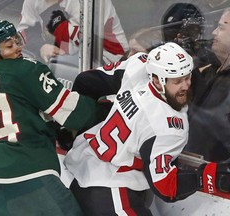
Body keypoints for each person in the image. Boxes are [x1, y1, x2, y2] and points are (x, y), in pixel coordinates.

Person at [0, 19, 107, 215]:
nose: (18, 48)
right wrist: (107, 109)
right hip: (33, 180)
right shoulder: (26, 69)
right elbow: (74, 113)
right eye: (9, 46)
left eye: (17, 41)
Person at [64, 42, 230, 215]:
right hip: (111, 187)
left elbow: (86, 81)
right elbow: (166, 187)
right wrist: (205, 177)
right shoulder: (166, 126)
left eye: (187, 77)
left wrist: (77, 124)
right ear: (157, 81)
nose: (186, 86)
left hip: (83, 163)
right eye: (177, 81)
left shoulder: (138, 65)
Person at [18, 0, 129, 64]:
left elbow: (70, 47)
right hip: (68, 63)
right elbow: (23, 33)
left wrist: (50, 6)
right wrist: (41, 46)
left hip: (110, 61)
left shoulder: (89, 2)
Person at [185, 7, 230, 162]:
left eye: (221, 28)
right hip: (190, 167)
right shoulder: (208, 72)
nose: (214, 33)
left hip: (215, 176)